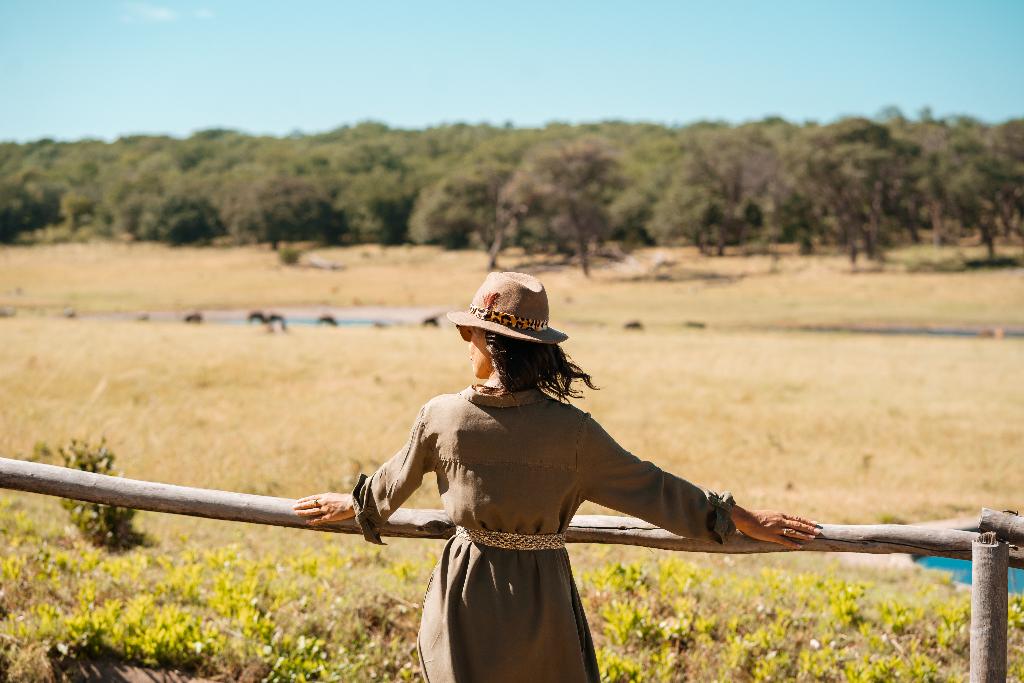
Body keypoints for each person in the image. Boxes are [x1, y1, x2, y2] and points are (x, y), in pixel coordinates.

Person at [293, 271, 821, 683]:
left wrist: (353, 506)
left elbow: (390, 485)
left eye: (468, 333)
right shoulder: (574, 432)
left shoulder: (441, 416)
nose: (464, 342)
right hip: (541, 596)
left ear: (488, 340)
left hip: (465, 591)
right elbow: (654, 488)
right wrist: (739, 517)